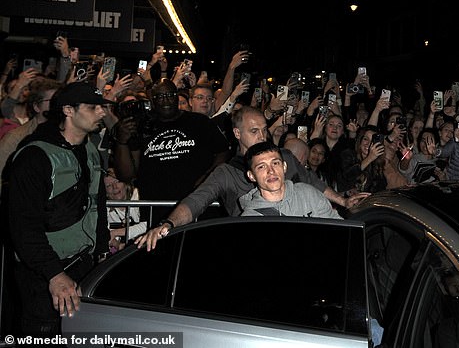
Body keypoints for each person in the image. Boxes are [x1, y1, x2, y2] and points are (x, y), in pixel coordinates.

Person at [135, 106, 368, 251]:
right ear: (237, 134)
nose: (262, 136)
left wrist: (343, 201)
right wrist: (167, 225)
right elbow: (196, 201)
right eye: (254, 131)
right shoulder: (226, 173)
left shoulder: (282, 156)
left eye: (264, 130)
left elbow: (312, 182)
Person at [7, 82, 111, 339]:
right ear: (68, 110)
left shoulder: (90, 150)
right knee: (44, 335)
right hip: (43, 274)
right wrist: (54, 274)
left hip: (82, 265)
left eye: (102, 107)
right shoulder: (35, 155)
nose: (101, 112)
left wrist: (101, 250)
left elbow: (98, 204)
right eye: (93, 107)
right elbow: (23, 225)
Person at [111, 79, 230, 224]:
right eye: (160, 97)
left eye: (170, 95)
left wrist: (208, 178)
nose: (166, 100)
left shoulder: (199, 122)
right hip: (157, 209)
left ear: (177, 96)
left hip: (197, 206)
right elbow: (127, 175)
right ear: (152, 101)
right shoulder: (143, 126)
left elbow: (223, 152)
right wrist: (121, 142)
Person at [239, 141, 342, 218]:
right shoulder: (250, 219)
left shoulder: (308, 194)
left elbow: (336, 225)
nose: (271, 171)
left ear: (284, 167)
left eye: (275, 163)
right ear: (251, 176)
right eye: (262, 167)